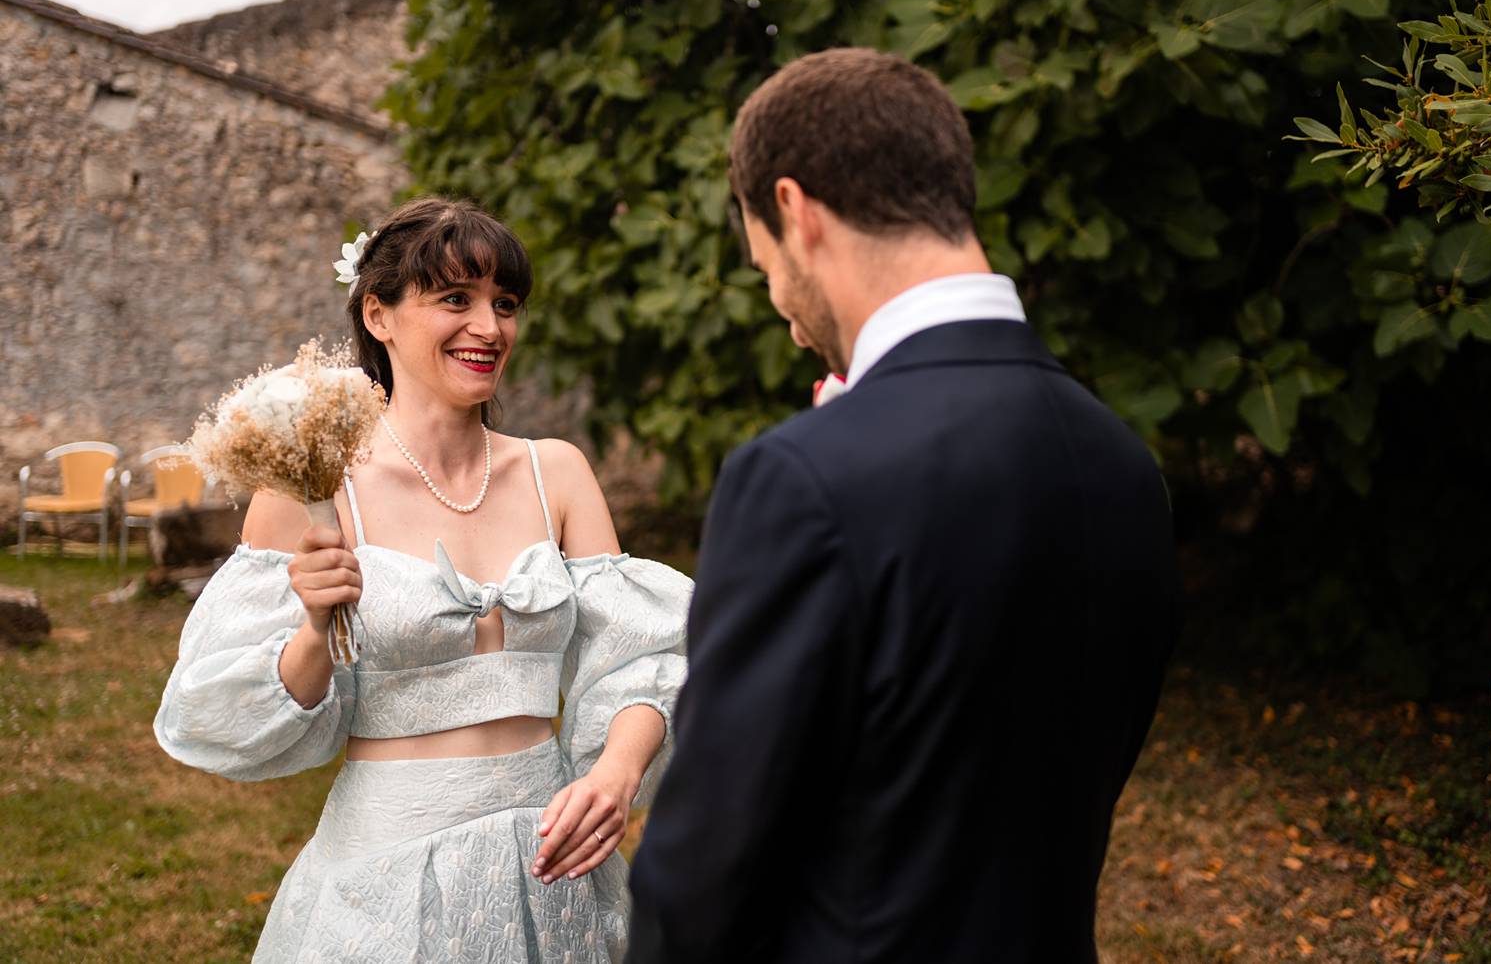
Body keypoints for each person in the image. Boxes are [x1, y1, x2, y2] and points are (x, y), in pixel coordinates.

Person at [626, 48, 1180, 964]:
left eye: (764, 262)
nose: (777, 300)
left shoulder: (800, 479)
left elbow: (703, 876)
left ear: (796, 213)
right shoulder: (1121, 460)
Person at [155, 197, 691, 963]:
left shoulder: (557, 472)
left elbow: (644, 656)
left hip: (551, 864)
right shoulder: (312, 487)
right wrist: (314, 627)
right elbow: (233, 714)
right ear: (378, 314)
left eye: (505, 304)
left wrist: (614, 772)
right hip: (385, 878)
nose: (490, 327)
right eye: (455, 299)